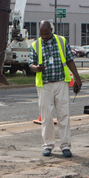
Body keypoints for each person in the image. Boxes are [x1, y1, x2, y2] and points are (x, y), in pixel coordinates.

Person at [29, 20, 82, 158]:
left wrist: (77, 78)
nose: (44, 36)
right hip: (45, 84)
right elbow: (30, 64)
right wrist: (36, 68)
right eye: (42, 33)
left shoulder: (62, 41)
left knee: (63, 115)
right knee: (46, 116)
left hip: (61, 83)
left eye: (47, 33)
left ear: (51, 30)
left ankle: (65, 146)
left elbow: (70, 60)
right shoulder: (35, 45)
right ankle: (48, 145)